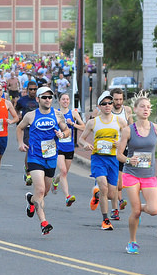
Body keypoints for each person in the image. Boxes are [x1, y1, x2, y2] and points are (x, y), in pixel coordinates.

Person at [116, 93, 157, 254]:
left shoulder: (156, 129)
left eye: (148, 107)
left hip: (148, 175)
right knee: (135, 212)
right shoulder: (128, 131)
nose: (146, 110)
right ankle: (132, 242)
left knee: (154, 210)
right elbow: (119, 154)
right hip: (131, 173)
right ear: (135, 109)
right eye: (142, 107)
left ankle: (138, 207)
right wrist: (128, 160)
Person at [17, 86, 70, 235]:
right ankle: (43, 222)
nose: (47, 100)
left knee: (44, 192)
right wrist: (20, 143)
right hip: (35, 157)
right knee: (40, 189)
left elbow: (67, 130)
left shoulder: (58, 115)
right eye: (44, 97)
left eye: (49, 97)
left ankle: (31, 200)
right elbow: (19, 128)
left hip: (51, 157)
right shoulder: (30, 115)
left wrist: (62, 134)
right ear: (38, 99)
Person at [78, 91, 128, 231]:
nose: (107, 106)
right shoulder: (93, 122)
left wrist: (120, 144)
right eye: (104, 104)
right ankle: (105, 219)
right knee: (103, 185)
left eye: (110, 103)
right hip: (98, 158)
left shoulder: (120, 121)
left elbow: (127, 137)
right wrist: (85, 144)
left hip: (113, 159)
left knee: (112, 194)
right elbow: (81, 139)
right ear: (99, 106)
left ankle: (98, 194)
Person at [51, 92, 86, 206]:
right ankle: (67, 196)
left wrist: (73, 124)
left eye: (67, 99)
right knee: (63, 171)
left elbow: (84, 127)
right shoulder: (55, 113)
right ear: (59, 101)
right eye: (63, 99)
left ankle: (55, 181)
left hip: (69, 147)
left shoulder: (73, 113)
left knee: (64, 173)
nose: (65, 101)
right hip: (58, 146)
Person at [110, 88, 134, 221]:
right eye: (116, 99)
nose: (118, 102)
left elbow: (130, 128)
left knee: (119, 183)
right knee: (115, 181)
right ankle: (115, 208)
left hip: (122, 148)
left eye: (120, 99)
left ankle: (117, 201)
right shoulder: (106, 110)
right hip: (109, 149)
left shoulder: (127, 110)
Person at [16, 81, 39, 186]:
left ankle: (35, 168)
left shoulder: (40, 100)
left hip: (38, 128)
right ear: (27, 89)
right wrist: (18, 117)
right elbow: (17, 109)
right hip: (27, 128)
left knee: (37, 149)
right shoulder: (22, 100)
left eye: (35, 89)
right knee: (29, 148)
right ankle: (28, 172)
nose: (33, 91)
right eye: (31, 89)